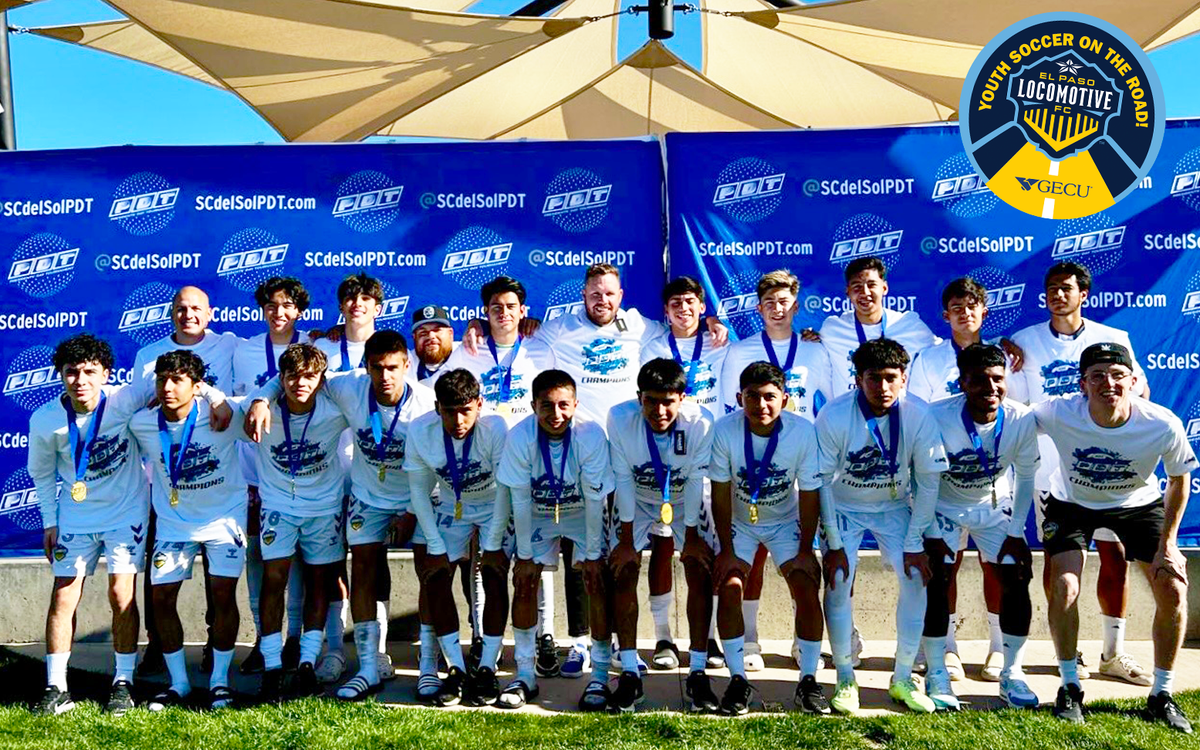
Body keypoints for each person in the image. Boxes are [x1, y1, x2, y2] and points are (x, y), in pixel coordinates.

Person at [28, 334, 228, 715]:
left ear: (106, 373)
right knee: (63, 596)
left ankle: (123, 682)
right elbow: (41, 473)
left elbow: (182, 383)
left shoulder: (126, 397)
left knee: (121, 596)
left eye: (90, 372)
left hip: (125, 515)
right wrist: (50, 522)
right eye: (71, 372)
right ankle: (56, 687)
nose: (80, 381)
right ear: (61, 375)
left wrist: (215, 398)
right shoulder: (45, 419)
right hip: (76, 517)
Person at [1035, 343, 1195, 732]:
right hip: (1071, 503)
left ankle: (1161, 694)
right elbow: (1005, 418)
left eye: (1118, 375)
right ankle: (1070, 687)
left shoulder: (1161, 423)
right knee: (1064, 586)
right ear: (1082, 384)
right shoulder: (1057, 411)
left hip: (1137, 505)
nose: (1109, 383)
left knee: (1173, 587)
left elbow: (1179, 479)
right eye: (1097, 376)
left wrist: (1169, 543)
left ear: (1134, 381)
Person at [1008, 261, 1152, 685]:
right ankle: (1066, 651)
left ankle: (1114, 652)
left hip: (1106, 468)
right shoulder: (1024, 341)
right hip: (1050, 471)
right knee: (1059, 559)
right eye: (1052, 288)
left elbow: (1140, 390)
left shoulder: (1114, 338)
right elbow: (1016, 404)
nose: (1058, 295)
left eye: (1066, 288)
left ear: (1083, 294)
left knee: (1115, 556)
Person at [816, 338, 947, 715]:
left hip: (893, 507)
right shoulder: (834, 414)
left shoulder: (919, 414)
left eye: (891, 377)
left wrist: (915, 541)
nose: (883, 387)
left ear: (904, 377)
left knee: (915, 577)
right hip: (844, 506)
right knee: (838, 581)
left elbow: (929, 483)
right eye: (874, 378)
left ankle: (902, 677)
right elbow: (821, 481)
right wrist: (834, 542)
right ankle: (845, 677)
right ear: (858, 379)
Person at [441, 276, 561, 676]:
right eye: (496, 307)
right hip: (483, 471)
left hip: (532, 464)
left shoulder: (542, 346)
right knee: (482, 558)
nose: (504, 313)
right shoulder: (467, 350)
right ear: (484, 311)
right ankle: (480, 635)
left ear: (523, 310)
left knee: (537, 554)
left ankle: (545, 635)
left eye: (511, 307)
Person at [906, 277, 1023, 681]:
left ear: (984, 312)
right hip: (944, 483)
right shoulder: (928, 359)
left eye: (972, 306)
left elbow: (1016, 411)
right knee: (945, 567)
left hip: (994, 484)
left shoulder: (1006, 355)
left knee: (999, 567)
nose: (964, 313)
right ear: (945, 315)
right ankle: (948, 646)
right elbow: (918, 416)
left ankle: (998, 647)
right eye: (956, 307)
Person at [717, 270, 833, 671]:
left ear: (796, 306)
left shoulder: (816, 351)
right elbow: (728, 407)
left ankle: (805, 645)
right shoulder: (740, 351)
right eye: (769, 303)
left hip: (799, 460)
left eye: (784, 302)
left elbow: (831, 403)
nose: (777, 309)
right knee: (749, 561)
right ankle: (749, 638)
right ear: (759, 308)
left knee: (805, 562)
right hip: (751, 465)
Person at [127, 351, 250, 710]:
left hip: (224, 520)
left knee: (223, 595)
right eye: (162, 379)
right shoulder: (142, 423)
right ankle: (178, 683)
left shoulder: (223, 414)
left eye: (177, 380)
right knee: (161, 598)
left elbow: (264, 402)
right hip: (173, 523)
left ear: (196, 386)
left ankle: (219, 682)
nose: (167, 387)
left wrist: (216, 397)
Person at [923, 344, 1040, 710]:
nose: (991, 388)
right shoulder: (936, 416)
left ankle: (1012, 672)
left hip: (993, 506)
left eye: (998, 379)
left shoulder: (1020, 418)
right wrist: (929, 532)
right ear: (962, 383)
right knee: (936, 577)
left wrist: (1016, 533)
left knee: (1016, 575)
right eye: (979, 380)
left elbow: (1026, 476)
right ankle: (937, 671)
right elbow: (922, 478)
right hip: (943, 505)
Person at [709, 361, 828, 716]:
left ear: (785, 399)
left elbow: (810, 494)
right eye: (752, 396)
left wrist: (806, 550)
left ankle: (808, 681)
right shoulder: (724, 430)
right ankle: (737, 680)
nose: (761, 405)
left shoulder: (802, 432)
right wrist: (726, 550)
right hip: (740, 523)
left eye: (769, 397)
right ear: (739, 399)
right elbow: (720, 492)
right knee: (730, 587)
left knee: (806, 585)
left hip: (784, 522)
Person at [132, 285, 240, 676]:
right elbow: (140, 404)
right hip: (168, 485)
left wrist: (211, 395)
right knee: (160, 582)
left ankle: (215, 644)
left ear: (210, 313)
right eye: (180, 308)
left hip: (219, 485)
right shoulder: (148, 356)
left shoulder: (229, 344)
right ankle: (157, 645)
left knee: (220, 581)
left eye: (196, 308)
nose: (188, 314)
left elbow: (281, 351)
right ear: (171, 313)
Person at [494, 369, 613, 710]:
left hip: (582, 511)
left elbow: (596, 500)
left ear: (576, 404)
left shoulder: (591, 434)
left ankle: (600, 676)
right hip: (537, 512)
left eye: (563, 405)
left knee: (596, 582)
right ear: (533, 406)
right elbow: (518, 500)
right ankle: (525, 675)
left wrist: (592, 556)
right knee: (525, 582)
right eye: (547, 406)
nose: (556, 414)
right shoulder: (520, 437)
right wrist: (525, 557)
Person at [606, 359, 714, 710]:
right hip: (637, 499)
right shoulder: (619, 417)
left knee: (699, 567)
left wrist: (692, 537)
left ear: (683, 397)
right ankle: (629, 672)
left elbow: (696, 480)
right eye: (650, 401)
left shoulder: (701, 422)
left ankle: (698, 671)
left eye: (668, 401)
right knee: (623, 570)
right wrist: (625, 541)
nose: (659, 411)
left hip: (683, 500)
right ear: (638, 397)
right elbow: (623, 479)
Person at [244, 343, 350, 701]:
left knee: (320, 582)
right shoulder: (262, 409)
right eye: (292, 376)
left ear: (321, 379)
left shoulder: (335, 408)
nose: (300, 383)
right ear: (281, 378)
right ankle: (273, 665)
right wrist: (261, 398)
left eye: (309, 376)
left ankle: (306, 663)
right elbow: (218, 406)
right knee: (274, 581)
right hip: (279, 508)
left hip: (324, 508)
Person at [406, 369, 512, 706]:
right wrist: (435, 546)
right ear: (437, 407)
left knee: (494, 573)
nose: (458, 421)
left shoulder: (496, 427)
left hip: (494, 503)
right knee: (435, 574)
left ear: (479, 404)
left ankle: (487, 668)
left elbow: (506, 488)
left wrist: (492, 546)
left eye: (466, 410)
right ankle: (456, 669)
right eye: (449, 411)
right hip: (452, 505)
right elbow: (419, 492)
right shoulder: (420, 430)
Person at [233, 276, 313, 675]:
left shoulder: (315, 346)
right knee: (256, 557)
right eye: (270, 305)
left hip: (298, 474)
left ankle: (295, 638)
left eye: (286, 305)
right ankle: (263, 638)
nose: (278, 313)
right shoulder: (242, 349)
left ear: (299, 310)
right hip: (251, 474)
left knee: (295, 558)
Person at [814, 257, 937, 395]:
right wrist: (808, 336)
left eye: (871, 285)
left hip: (898, 408)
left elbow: (942, 352)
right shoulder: (832, 329)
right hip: (850, 408)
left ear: (884, 288)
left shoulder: (910, 325)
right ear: (847, 292)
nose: (865, 293)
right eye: (857, 286)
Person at [411, 305, 457, 384]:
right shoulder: (404, 364)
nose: (431, 336)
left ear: (450, 333)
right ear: (414, 337)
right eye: (423, 333)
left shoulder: (468, 353)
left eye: (437, 330)